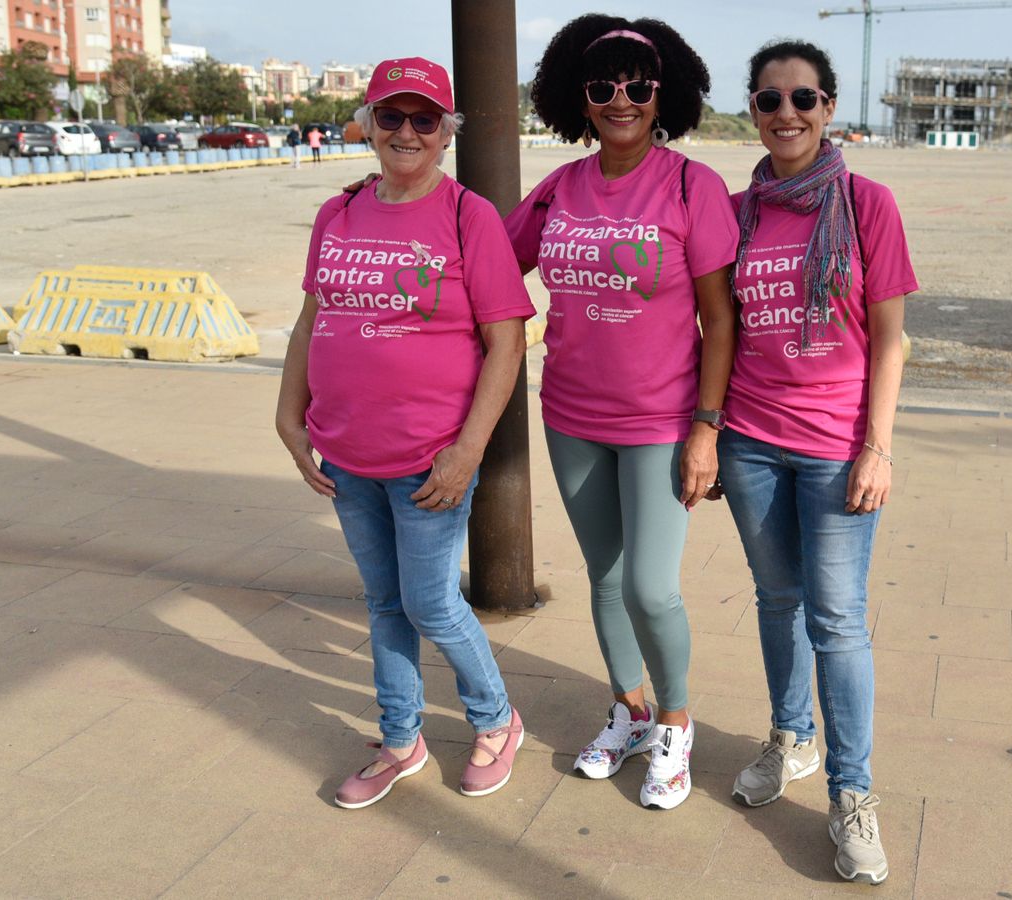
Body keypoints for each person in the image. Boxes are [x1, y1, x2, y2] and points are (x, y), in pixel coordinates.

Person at [276, 56, 535, 809]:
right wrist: (289, 418)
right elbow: (310, 321)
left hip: (430, 460)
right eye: (392, 116)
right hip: (346, 454)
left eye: (426, 119)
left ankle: (496, 721)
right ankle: (401, 739)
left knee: (429, 604)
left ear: (447, 132)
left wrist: (467, 453)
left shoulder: (467, 216)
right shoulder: (339, 212)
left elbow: (507, 342)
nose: (408, 132)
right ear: (368, 123)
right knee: (383, 604)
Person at [503, 15, 738, 811]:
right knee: (604, 578)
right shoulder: (562, 187)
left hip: (662, 421)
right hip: (569, 414)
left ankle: (675, 722)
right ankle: (630, 710)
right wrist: (396, 195)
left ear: (661, 90)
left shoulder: (689, 186)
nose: (620, 99)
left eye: (636, 84)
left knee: (650, 586)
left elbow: (720, 320)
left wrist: (707, 426)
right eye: (602, 86)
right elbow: (492, 260)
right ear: (581, 98)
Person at [717, 40, 916, 885]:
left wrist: (878, 446)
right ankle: (788, 737)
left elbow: (890, 338)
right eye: (770, 100)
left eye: (804, 98)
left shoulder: (867, 203)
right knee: (777, 598)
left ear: (830, 108)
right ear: (753, 111)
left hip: (837, 448)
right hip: (751, 438)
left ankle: (852, 796)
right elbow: (713, 328)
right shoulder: (737, 212)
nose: (787, 114)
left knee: (835, 619)